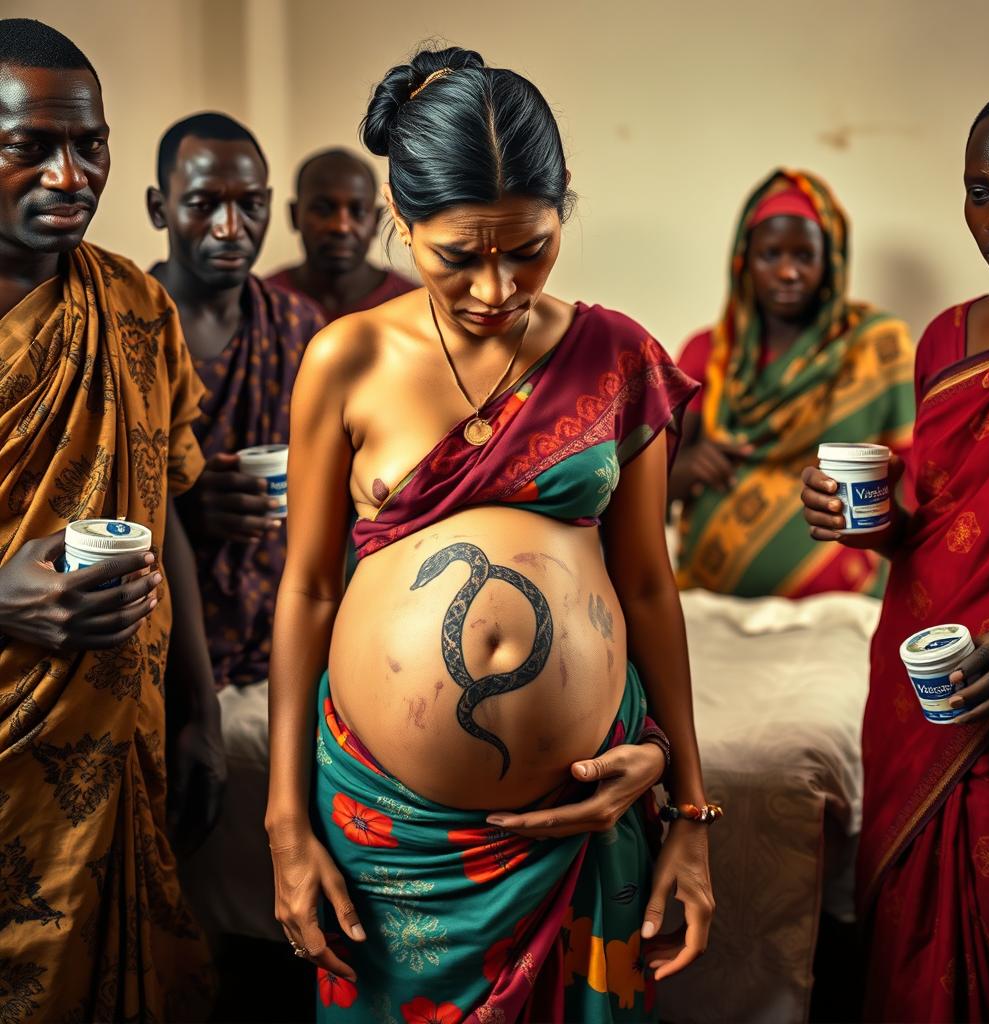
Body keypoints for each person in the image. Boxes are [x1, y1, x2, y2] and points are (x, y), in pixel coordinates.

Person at [266, 46, 715, 1022]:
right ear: (403, 223)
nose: (496, 288)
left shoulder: (619, 357)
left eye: (530, 247)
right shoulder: (346, 359)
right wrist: (284, 821)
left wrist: (688, 806)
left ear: (564, 213)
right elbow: (304, 590)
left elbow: (645, 585)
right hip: (388, 838)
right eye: (459, 255)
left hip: (584, 828)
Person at [0, 19, 221, 1022]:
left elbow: (162, 500)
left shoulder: (133, 305)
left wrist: (202, 710)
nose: (69, 173)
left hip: (119, 740)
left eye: (90, 144)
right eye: (30, 148)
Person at [800, 81, 989, 1021]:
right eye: (980, 191)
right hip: (914, 689)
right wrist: (865, 515)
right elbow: (935, 507)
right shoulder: (950, 336)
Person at [147, 112, 324, 943]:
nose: (230, 227)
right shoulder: (127, 327)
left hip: (282, 621)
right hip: (165, 634)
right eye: (203, 203)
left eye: (250, 204)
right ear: (159, 207)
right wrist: (183, 506)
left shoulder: (299, 330)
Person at [672, 170, 915, 598]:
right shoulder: (707, 354)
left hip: (846, 601)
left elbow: (914, 475)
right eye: (771, 255)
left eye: (805, 256)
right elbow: (647, 486)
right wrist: (688, 467)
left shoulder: (876, 346)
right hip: (710, 599)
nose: (787, 272)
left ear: (831, 262)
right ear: (745, 260)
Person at [266, 147, 417, 321]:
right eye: (323, 209)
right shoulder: (261, 304)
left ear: (376, 220)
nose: (341, 226)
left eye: (358, 211)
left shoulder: (413, 305)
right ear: (294, 215)